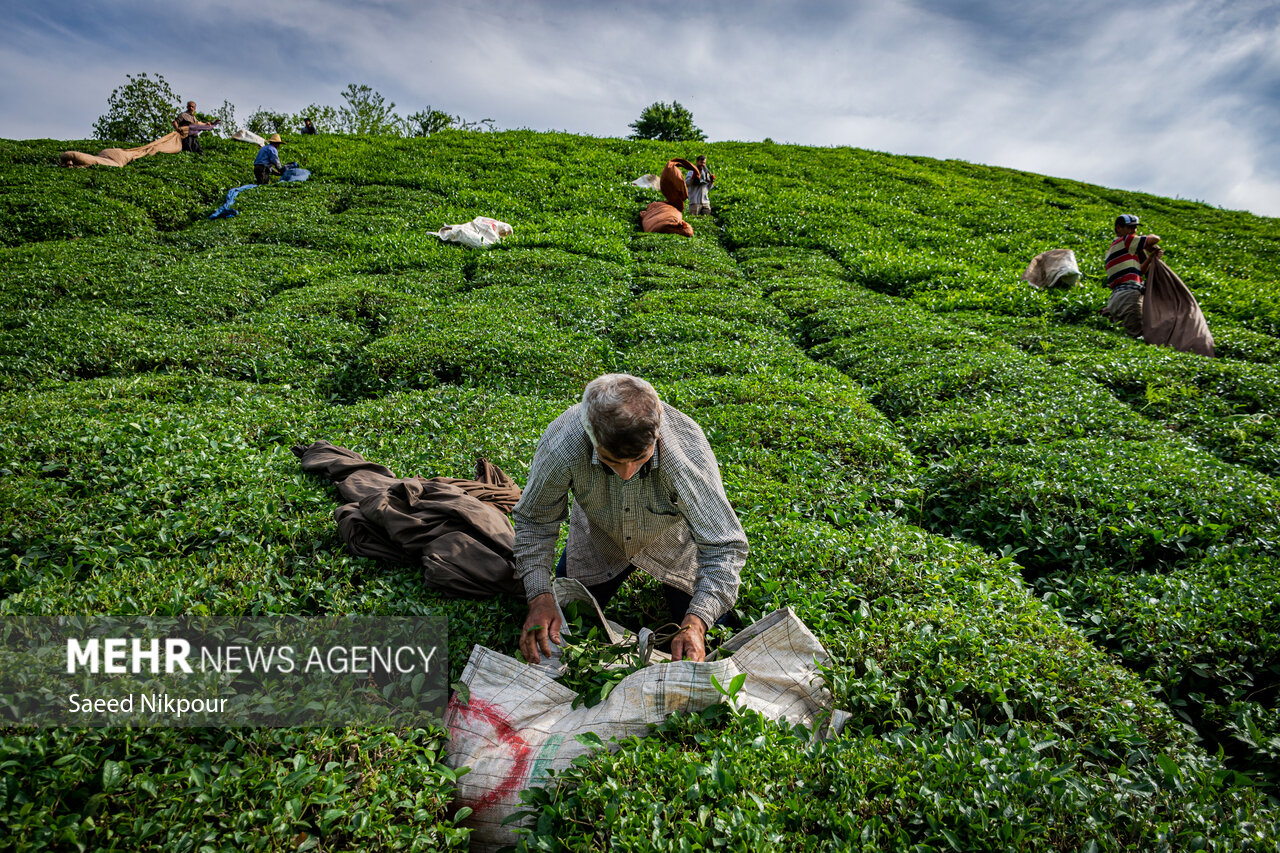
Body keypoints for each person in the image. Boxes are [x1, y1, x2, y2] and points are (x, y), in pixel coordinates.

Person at [514, 374, 748, 664]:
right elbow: (536, 522)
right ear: (591, 437)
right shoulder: (564, 445)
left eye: (641, 459)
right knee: (565, 631)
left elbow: (724, 546)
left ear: (657, 435)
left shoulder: (686, 455)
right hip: (597, 542)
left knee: (710, 638)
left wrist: (696, 622)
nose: (627, 474)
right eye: (610, 461)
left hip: (673, 547)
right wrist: (539, 596)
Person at [1102, 214, 1162, 337]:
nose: (1134, 231)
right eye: (1130, 228)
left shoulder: (1114, 249)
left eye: (1135, 228)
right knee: (1137, 336)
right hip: (1129, 297)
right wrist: (1147, 244)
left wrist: (1150, 258)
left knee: (1125, 336)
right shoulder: (1126, 241)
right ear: (1119, 228)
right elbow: (1156, 239)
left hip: (1116, 299)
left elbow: (1139, 271)